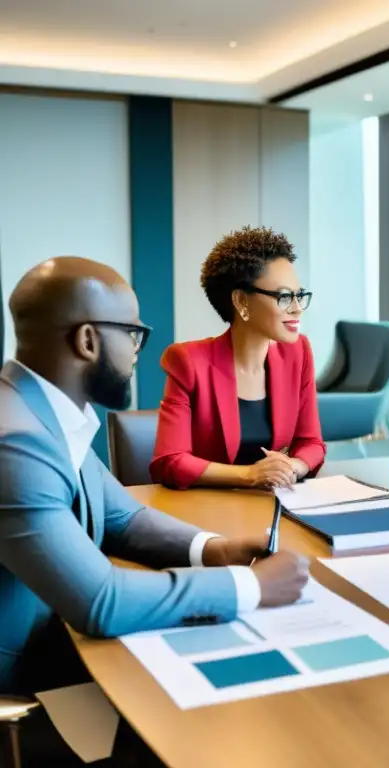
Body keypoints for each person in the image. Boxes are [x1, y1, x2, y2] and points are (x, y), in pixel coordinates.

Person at [0, 257, 308, 761]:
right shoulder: (17, 442)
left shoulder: (42, 410)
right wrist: (252, 586)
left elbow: (121, 517)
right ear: (88, 342)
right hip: (23, 664)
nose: (139, 352)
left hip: (52, 626)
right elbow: (101, 603)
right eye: (133, 335)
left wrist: (216, 549)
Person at [151, 226, 326, 490]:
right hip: (206, 510)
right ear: (241, 301)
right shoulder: (187, 361)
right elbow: (170, 461)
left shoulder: (298, 352)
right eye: (284, 296)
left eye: (299, 295)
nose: (297, 308)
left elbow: (311, 442)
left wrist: (291, 467)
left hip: (277, 503)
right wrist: (251, 475)